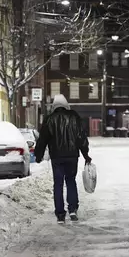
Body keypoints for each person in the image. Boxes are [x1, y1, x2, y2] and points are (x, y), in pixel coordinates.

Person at [35, 94, 92, 224]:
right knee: (71, 181)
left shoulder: (49, 119)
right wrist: (85, 154)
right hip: (72, 156)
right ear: (66, 106)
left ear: (54, 106)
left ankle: (60, 214)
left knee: (58, 184)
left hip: (56, 157)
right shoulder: (74, 117)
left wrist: (38, 155)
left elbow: (42, 139)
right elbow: (81, 137)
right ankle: (72, 209)